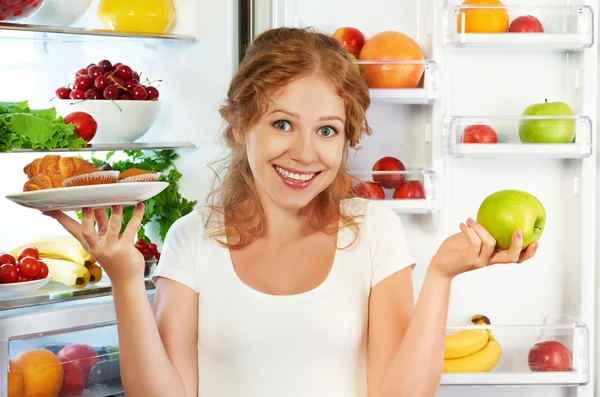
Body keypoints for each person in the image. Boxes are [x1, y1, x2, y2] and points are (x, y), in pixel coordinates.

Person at [46, 27, 538, 397]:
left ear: (347, 139)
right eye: (283, 123)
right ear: (241, 127)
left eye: (327, 130)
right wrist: (127, 283)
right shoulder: (192, 238)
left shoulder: (374, 231)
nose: (306, 153)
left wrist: (440, 277)